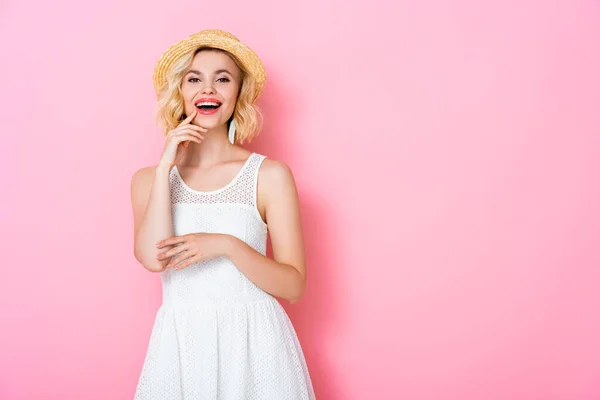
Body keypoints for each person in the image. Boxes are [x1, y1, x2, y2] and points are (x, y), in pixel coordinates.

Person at [130, 29, 315, 399]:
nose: (208, 89)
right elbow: (154, 258)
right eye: (194, 78)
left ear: (238, 93)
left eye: (223, 79)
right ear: (180, 92)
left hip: (256, 345)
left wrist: (227, 245)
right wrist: (167, 163)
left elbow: (293, 286)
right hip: (182, 347)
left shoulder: (269, 176)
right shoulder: (149, 179)